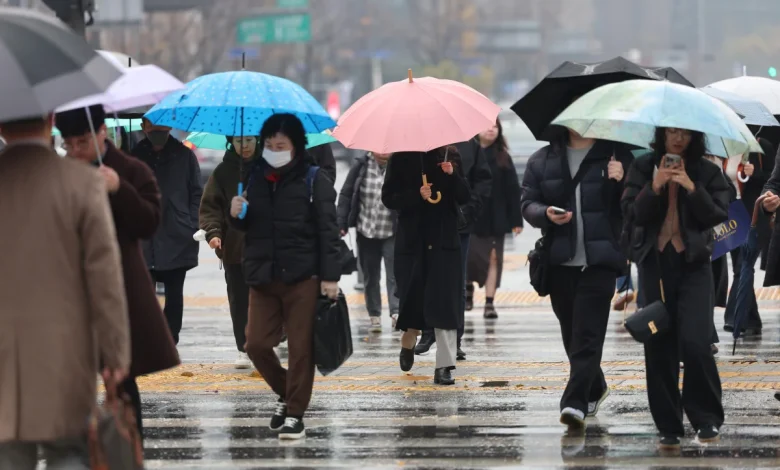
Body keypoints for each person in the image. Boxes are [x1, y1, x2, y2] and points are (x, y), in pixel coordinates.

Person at [0, 114, 130, 468]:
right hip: (64, 352)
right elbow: (105, 278)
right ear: (50, 119)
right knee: (67, 453)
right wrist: (115, 352)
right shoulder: (81, 183)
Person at [55, 105, 180, 439]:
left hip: (121, 288)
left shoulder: (131, 170)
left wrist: (118, 188)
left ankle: (128, 450)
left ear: (102, 133)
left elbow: (150, 222)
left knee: (122, 381)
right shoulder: (62, 172)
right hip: (69, 290)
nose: (76, 151)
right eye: (69, 144)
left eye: (82, 142)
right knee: (73, 382)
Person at [229, 113, 341, 440]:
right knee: (256, 344)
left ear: (296, 147)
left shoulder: (313, 179)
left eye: (281, 145)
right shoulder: (253, 177)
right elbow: (248, 225)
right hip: (262, 276)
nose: (273, 150)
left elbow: (328, 231)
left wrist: (330, 277)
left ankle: (295, 413)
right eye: (268, 145)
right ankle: (286, 391)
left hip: (302, 276)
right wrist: (236, 215)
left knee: (300, 348)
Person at [622, 127, 729, 449]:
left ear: (695, 137)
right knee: (658, 346)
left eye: (685, 133)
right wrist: (655, 186)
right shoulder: (642, 167)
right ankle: (668, 425)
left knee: (696, 342)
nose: (678, 139)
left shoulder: (707, 171)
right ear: (661, 135)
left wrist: (690, 186)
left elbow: (717, 214)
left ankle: (706, 418)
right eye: (672, 132)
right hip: (654, 265)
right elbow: (631, 213)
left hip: (694, 266)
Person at [522, 126, 632, 430]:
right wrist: (545, 213)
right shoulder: (541, 160)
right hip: (560, 262)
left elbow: (635, 204)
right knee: (571, 333)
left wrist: (622, 179)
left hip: (601, 261)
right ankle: (595, 387)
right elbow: (527, 204)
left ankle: (574, 402)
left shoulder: (616, 156)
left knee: (588, 334)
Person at [382, 147, 472, 386]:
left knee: (445, 303)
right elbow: (389, 198)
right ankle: (408, 340)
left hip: (444, 241)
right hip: (413, 243)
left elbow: (464, 196)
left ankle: (444, 365)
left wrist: (452, 175)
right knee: (413, 299)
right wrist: (416, 195)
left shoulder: (449, 156)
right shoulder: (400, 158)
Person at [414, 138, 492, 360]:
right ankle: (428, 332)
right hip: (426, 227)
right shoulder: (419, 147)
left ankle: (454, 339)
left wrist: (467, 212)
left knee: (455, 282)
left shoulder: (468, 146)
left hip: (458, 225)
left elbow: (480, 182)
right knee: (428, 279)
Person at [132, 118, 203, 345]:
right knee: (144, 294)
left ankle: (170, 339)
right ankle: (150, 337)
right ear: (143, 127)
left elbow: (196, 193)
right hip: (145, 232)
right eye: (152, 127)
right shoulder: (134, 156)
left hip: (177, 232)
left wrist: (191, 222)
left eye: (162, 126)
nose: (157, 131)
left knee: (174, 292)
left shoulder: (184, 156)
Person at [200, 135, 260, 368]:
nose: (244, 146)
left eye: (249, 140)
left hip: (266, 248)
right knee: (239, 300)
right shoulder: (223, 172)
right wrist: (214, 233)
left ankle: (265, 340)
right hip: (235, 249)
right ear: (230, 143)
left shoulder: (270, 169)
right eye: (238, 141)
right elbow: (210, 207)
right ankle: (243, 348)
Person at [466, 119, 523, 319]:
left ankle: (489, 302)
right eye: (487, 125)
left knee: (494, 258)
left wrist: (516, 220)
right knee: (469, 256)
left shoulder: (503, 158)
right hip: (471, 217)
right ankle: (467, 288)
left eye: (495, 126)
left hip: (496, 218)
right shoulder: (467, 154)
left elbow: (513, 191)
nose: (492, 129)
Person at [337, 151, 399, 332]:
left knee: (394, 273)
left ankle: (396, 312)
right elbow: (346, 194)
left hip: (391, 229)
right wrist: (342, 222)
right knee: (370, 275)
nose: (383, 153)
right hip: (366, 230)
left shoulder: (399, 166)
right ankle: (374, 315)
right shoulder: (361, 165)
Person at [722, 141, 774, 334]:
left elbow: (772, 180)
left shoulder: (760, 148)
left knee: (742, 266)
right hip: (730, 215)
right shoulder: (722, 150)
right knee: (740, 265)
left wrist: (755, 174)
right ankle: (751, 320)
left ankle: (734, 318)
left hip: (752, 215)